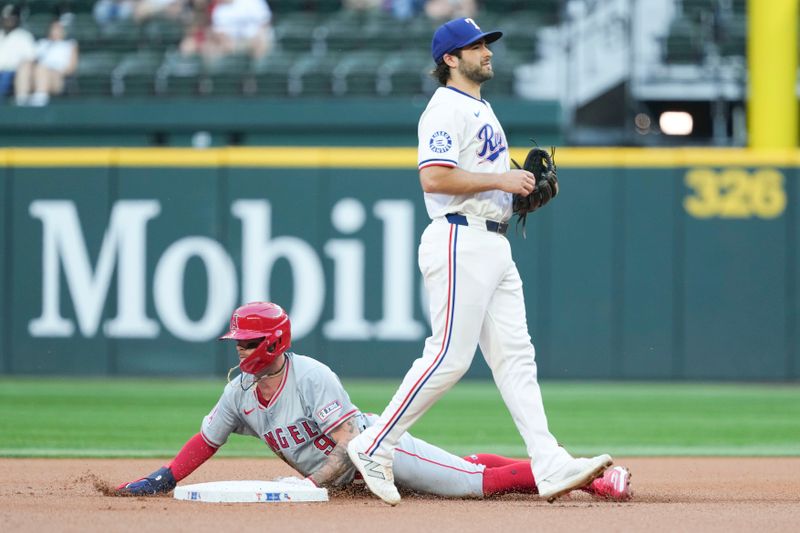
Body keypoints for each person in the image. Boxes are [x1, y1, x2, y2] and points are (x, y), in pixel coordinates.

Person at [345, 17, 616, 506]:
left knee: (516, 357)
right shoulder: (445, 108)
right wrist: (502, 183)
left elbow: (487, 185)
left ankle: (549, 462)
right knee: (449, 355)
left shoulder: (479, 107)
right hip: (458, 237)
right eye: (475, 45)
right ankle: (373, 443)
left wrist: (517, 196)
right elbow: (435, 178)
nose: (487, 50)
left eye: (486, 42)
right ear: (450, 59)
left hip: (492, 240)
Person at [117, 302, 631, 501]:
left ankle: (588, 475)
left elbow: (348, 448)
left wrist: (306, 488)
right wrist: (166, 477)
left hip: (379, 449)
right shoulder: (239, 393)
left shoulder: (312, 378)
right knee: (461, 465)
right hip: (357, 475)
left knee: (476, 484)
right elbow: (206, 441)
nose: (240, 349)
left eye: (247, 342)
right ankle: (558, 461)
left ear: (273, 342)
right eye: (238, 343)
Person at [15, 17, 79, 106]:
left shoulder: (70, 44)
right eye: (54, 28)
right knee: (25, 65)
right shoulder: (42, 43)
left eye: (59, 29)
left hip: (58, 78)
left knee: (42, 68)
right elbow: (32, 59)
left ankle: (40, 99)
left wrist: (53, 71)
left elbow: (71, 68)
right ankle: (21, 99)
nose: (56, 31)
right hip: (37, 75)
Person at [0, 3, 35, 102]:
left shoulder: (25, 36)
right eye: (6, 17)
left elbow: (30, 60)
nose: (9, 20)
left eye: (12, 17)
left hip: (14, 73)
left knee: (24, 69)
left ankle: (21, 102)